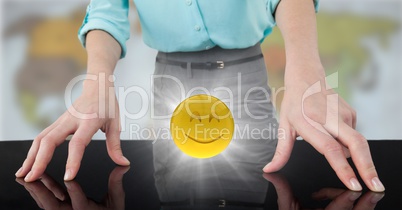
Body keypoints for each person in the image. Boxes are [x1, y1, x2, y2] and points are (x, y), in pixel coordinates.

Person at [15, 0, 385, 192]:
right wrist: (97, 81)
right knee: (174, 187)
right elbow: (107, 10)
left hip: (248, 75)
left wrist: (306, 66)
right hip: (170, 84)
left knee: (261, 181)